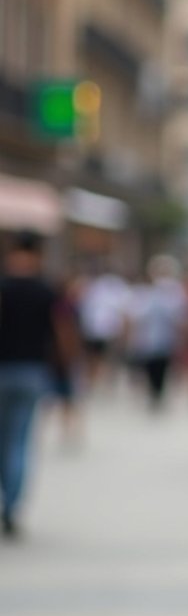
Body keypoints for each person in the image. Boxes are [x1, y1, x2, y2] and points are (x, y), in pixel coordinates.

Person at [0, 229, 71, 536]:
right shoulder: (47, 290)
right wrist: (66, 371)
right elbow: (62, 332)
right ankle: (12, 504)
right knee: (20, 439)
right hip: (32, 371)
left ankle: (8, 497)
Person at [124, 255, 188, 409]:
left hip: (166, 340)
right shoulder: (145, 292)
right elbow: (136, 315)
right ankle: (154, 393)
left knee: (162, 368)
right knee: (151, 368)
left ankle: (158, 393)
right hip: (148, 341)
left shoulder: (174, 291)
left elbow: (180, 315)